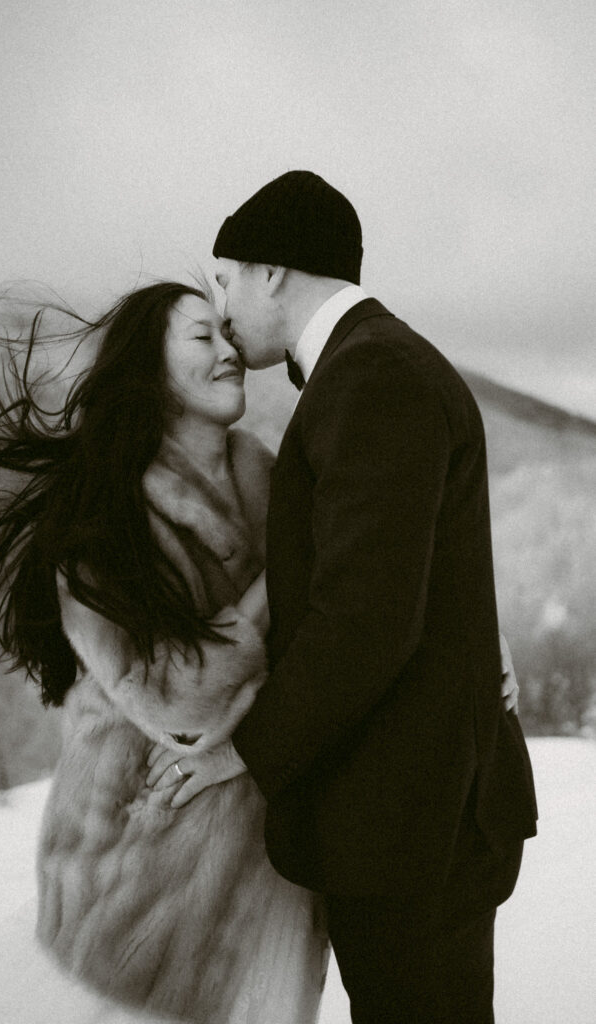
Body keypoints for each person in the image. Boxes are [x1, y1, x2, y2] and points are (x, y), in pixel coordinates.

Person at [184, 170, 539, 1024]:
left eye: (225, 277)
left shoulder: (373, 376)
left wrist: (243, 751)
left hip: (412, 833)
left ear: (274, 271)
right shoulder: (376, 368)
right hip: (412, 823)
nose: (223, 306)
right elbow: (413, 579)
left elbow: (366, 619)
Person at [0, 281, 329, 1024]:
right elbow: (175, 701)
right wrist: (284, 579)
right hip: (143, 881)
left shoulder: (269, 478)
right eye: (200, 338)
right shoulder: (104, 515)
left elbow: (348, 605)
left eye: (226, 333)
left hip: (267, 878)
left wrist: (477, 635)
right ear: (150, 372)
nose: (229, 351)